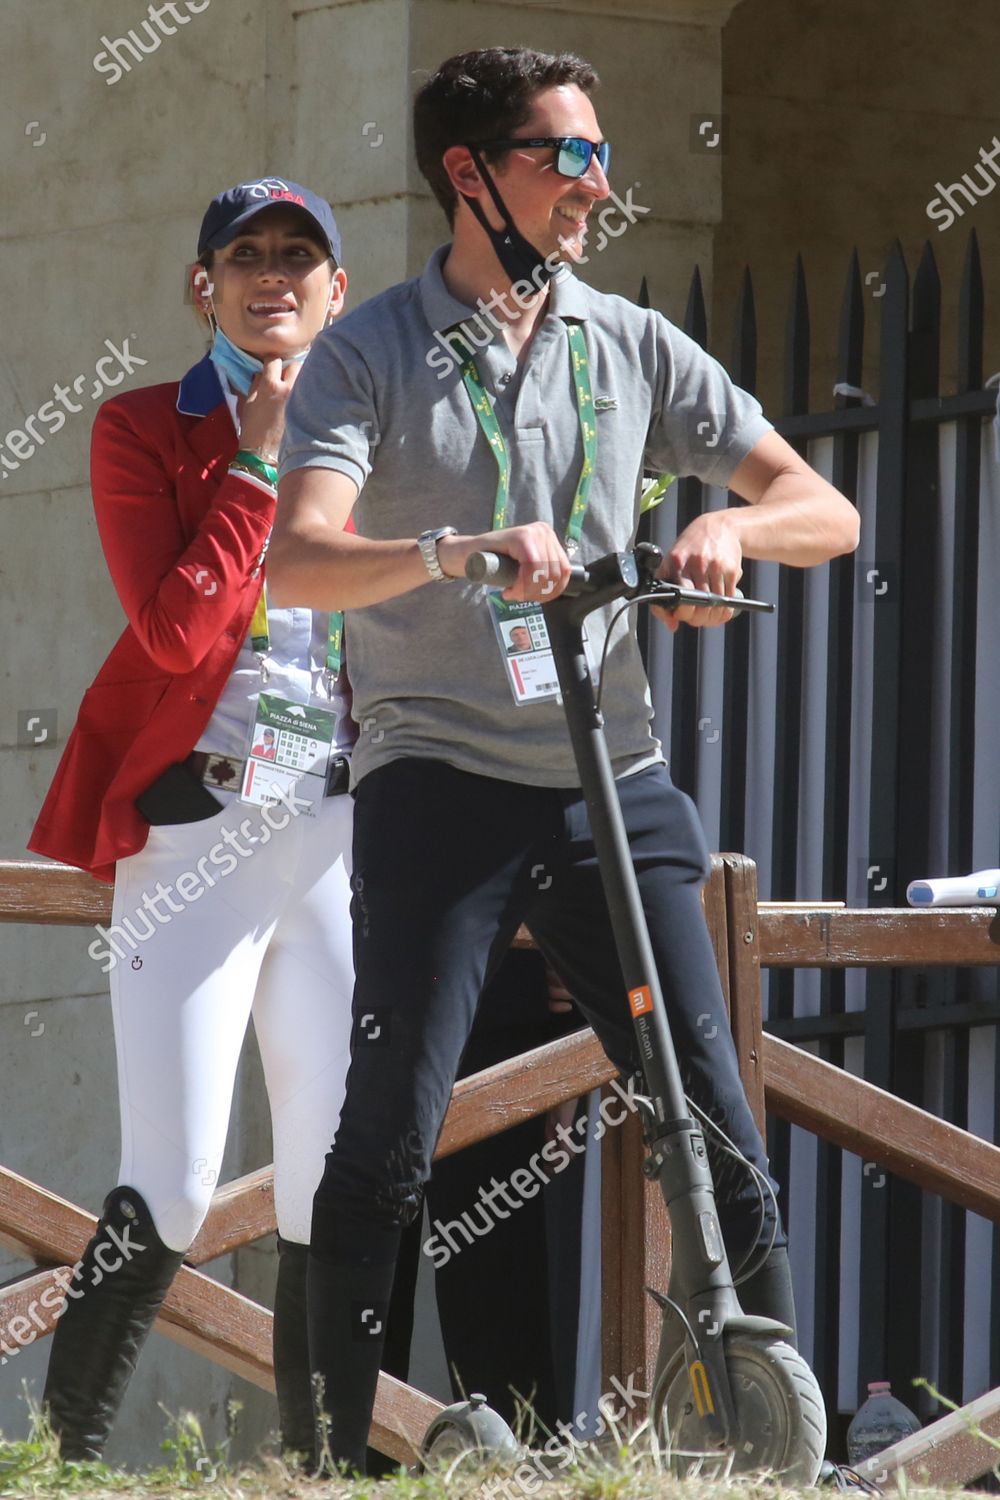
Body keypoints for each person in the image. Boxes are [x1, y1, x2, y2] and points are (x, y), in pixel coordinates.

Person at [267, 45, 860, 1474]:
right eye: (564, 155)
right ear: (472, 177)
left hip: (615, 771)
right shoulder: (373, 349)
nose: (598, 183)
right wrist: (454, 553)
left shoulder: (630, 341)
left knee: (712, 1100)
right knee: (396, 1126)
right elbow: (295, 560)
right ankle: (328, 1461)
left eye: (599, 154)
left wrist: (730, 531)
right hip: (437, 776)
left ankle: (768, 1455)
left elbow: (820, 505)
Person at [27, 177, 353, 1465]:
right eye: (247, 256)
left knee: (340, 1183)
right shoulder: (140, 428)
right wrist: (264, 459)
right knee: (174, 1181)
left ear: (336, 290)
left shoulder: (379, 422)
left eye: (300, 257)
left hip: (338, 834)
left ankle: (332, 1466)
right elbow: (171, 628)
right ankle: (54, 1470)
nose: (274, 276)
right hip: (195, 842)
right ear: (200, 285)